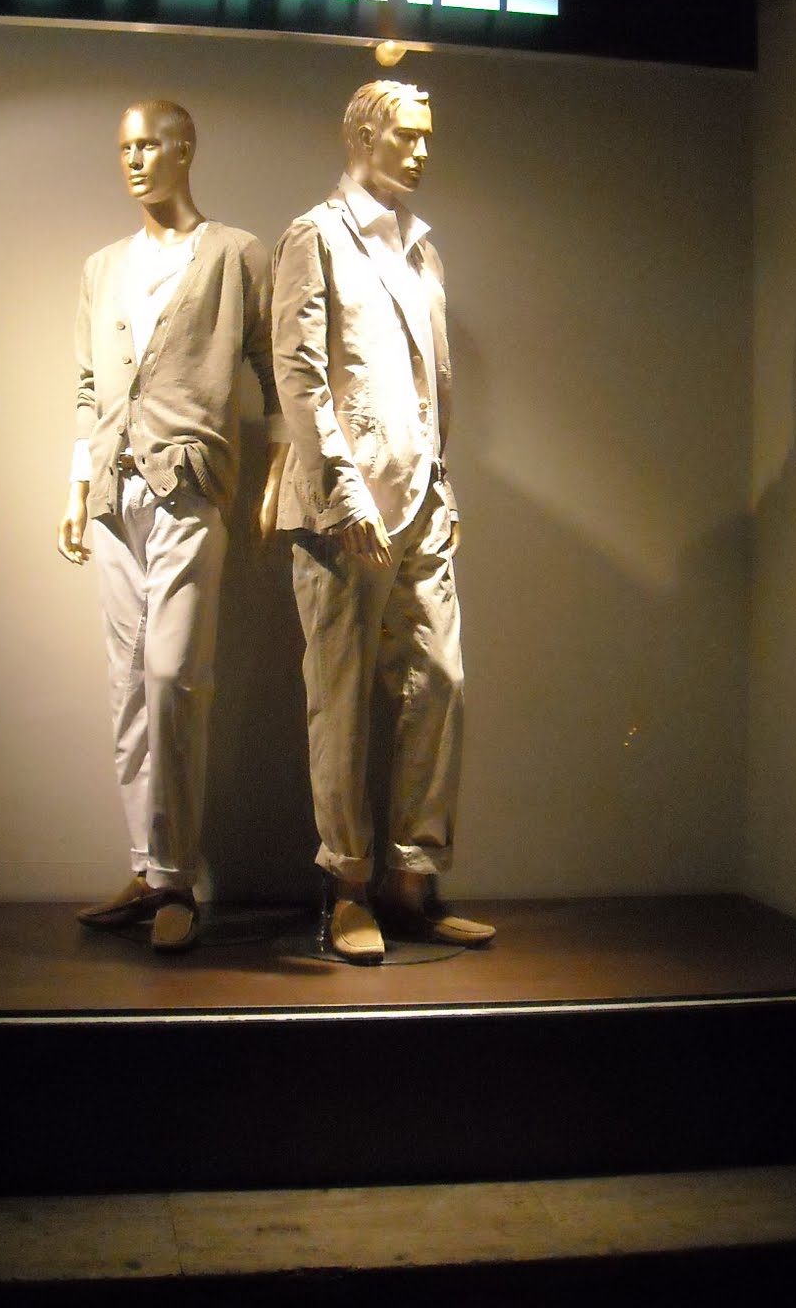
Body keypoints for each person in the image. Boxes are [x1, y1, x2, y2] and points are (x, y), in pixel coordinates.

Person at [265, 80, 494, 964]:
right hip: (345, 512)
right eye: (406, 135)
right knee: (341, 700)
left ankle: (411, 881)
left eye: (427, 136)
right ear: (362, 135)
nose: (422, 151)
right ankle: (349, 886)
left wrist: (441, 480)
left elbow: (431, 380)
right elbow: (299, 371)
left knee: (439, 684)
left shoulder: (421, 248)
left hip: (424, 501)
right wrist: (345, 491)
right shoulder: (315, 236)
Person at [58, 99, 281, 953]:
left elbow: (274, 365)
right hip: (114, 494)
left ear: (186, 149)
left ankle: (179, 875)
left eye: (150, 144)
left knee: (173, 676)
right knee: (126, 686)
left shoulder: (235, 254)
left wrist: (279, 469)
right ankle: (149, 869)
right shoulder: (101, 267)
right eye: (125, 146)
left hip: (190, 487)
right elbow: (89, 385)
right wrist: (76, 484)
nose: (134, 159)